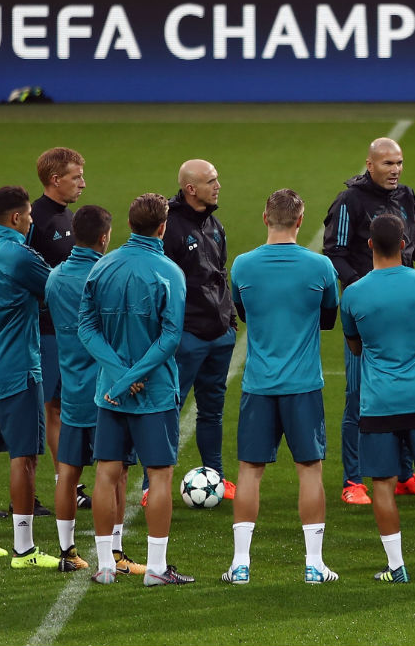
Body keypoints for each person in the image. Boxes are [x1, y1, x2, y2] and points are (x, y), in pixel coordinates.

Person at [323, 138, 415, 505]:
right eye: (388, 163)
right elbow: (334, 253)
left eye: (399, 163)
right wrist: (365, 288)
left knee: (410, 392)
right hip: (370, 313)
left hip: (406, 308)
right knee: (359, 396)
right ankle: (354, 480)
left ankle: (406, 475)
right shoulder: (349, 202)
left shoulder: (408, 197)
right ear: (370, 164)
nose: (396, 170)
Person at [223, 189, 340, 585]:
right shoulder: (321, 267)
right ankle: (313, 564)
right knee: (310, 471)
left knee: (249, 472)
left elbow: (243, 312)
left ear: (264, 217)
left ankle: (240, 564)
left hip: (258, 385)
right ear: (300, 220)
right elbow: (328, 320)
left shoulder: (242, 266)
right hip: (303, 385)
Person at [79, 193, 193, 585]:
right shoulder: (169, 271)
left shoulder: (101, 267)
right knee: (159, 475)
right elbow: (171, 337)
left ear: (129, 225)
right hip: (154, 393)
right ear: (163, 226)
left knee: (107, 472)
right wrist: (132, 377)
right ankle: (157, 569)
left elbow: (86, 328)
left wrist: (118, 374)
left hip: (109, 392)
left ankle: (105, 566)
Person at [340, 214, 415, 583]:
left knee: (382, 485)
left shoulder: (355, 293)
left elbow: (355, 347)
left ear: (370, 244)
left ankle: (396, 567)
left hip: (378, 403)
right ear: (405, 243)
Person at [0, 186, 74, 570]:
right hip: (19, 369)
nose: (31, 222)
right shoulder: (20, 255)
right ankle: (25, 549)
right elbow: (56, 288)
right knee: (24, 458)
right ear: (16, 218)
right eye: (28, 217)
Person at [46, 205, 145, 575]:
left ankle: (67, 553)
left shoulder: (54, 277)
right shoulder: (105, 275)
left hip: (71, 389)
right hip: (107, 391)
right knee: (115, 473)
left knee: (68, 473)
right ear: (105, 237)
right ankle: (116, 556)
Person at [150, 159, 238, 504]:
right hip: (185, 336)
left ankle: (215, 475)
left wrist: (229, 320)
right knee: (168, 407)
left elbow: (220, 273)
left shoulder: (215, 225)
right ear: (190, 189)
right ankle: (150, 483)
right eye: (211, 181)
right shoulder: (168, 227)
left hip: (218, 335)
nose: (218, 186)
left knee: (212, 411)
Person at [28, 147, 86, 514]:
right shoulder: (36, 220)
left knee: (63, 406)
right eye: (76, 176)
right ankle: (61, 484)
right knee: (49, 408)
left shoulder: (69, 217)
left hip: (71, 328)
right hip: (46, 331)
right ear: (55, 180)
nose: (83, 183)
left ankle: (69, 482)